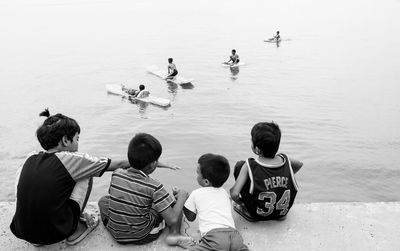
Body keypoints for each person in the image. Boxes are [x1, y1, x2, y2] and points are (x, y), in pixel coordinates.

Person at [10, 109, 131, 246]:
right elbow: (118, 164)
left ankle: (37, 233)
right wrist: (144, 160)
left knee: (23, 173)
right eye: (77, 139)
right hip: (56, 232)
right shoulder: (72, 160)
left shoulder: (30, 157)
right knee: (87, 172)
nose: (78, 143)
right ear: (66, 140)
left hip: (23, 231)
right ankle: (76, 230)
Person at [98, 133, 194, 248]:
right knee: (172, 205)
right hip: (142, 235)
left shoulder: (117, 174)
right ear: (153, 164)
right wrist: (182, 197)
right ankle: (175, 235)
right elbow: (172, 219)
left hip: (115, 233)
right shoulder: (154, 186)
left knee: (104, 200)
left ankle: (118, 225)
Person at [230, 122, 303, 222]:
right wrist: (285, 175)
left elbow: (234, 194)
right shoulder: (285, 160)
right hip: (282, 213)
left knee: (239, 165)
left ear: (257, 149)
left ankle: (247, 212)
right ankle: (278, 215)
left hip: (257, 214)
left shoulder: (249, 165)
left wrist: (242, 203)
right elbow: (299, 164)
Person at [183, 153, 248, 251]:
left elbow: (191, 217)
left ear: (206, 182)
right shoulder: (224, 193)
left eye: (197, 173)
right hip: (234, 236)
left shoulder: (196, 193)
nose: (196, 176)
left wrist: (183, 200)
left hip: (214, 237)